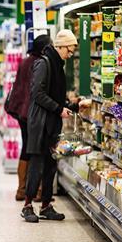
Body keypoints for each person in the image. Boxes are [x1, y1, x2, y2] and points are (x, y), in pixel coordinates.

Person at [21, 30, 82, 223]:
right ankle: (28, 205)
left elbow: (56, 96)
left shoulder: (58, 65)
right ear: (61, 46)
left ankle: (46, 205)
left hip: (52, 123)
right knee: (37, 165)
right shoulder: (44, 63)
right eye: (69, 50)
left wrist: (75, 105)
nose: (70, 54)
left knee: (50, 165)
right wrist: (58, 109)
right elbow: (37, 94)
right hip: (40, 123)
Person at [6, 35, 52, 201]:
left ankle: (21, 189)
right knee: (36, 149)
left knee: (26, 147)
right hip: (32, 112)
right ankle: (36, 191)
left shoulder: (25, 61)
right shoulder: (41, 63)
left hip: (20, 111)